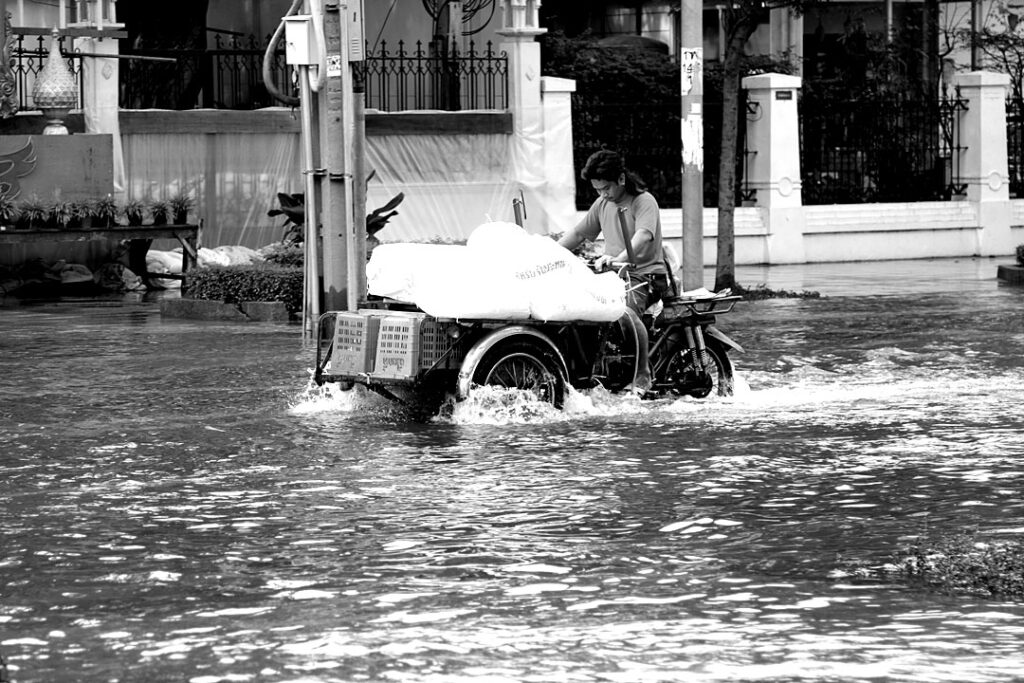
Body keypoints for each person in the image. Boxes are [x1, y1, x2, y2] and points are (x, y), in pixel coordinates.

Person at [557, 150, 673, 396]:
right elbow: (578, 234)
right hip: (613, 276)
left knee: (626, 312)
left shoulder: (644, 201)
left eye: (606, 188)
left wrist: (619, 258)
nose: (602, 194)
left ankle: (643, 375)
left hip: (646, 276)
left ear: (621, 179)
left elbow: (643, 235)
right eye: (597, 190)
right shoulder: (602, 204)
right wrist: (550, 254)